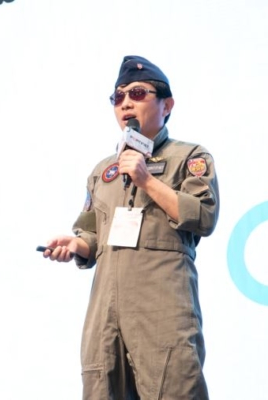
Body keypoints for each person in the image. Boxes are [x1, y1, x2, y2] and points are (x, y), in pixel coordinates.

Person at [42, 55, 220, 399]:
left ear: (167, 105)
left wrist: (146, 180)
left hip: (161, 305)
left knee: (174, 387)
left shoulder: (189, 156)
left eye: (137, 93)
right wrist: (76, 245)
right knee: (102, 387)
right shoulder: (103, 171)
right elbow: (92, 234)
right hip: (106, 310)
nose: (125, 103)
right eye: (118, 97)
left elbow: (203, 215)